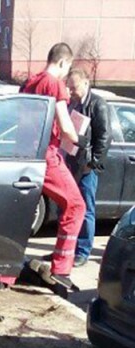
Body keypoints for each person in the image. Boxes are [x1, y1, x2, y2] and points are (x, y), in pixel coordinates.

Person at [19, 43, 86, 295]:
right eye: (68, 68)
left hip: (27, 152)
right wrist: (80, 140)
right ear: (62, 63)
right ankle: (61, 269)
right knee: (76, 205)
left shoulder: (31, 82)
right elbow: (66, 126)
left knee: (22, 210)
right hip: (47, 154)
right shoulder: (54, 84)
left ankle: (6, 272)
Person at [63, 68, 111, 266]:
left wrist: (93, 163)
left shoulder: (98, 104)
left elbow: (104, 137)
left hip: (86, 166)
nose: (71, 91)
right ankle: (67, 249)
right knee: (68, 208)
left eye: (74, 88)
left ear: (85, 83)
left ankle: (83, 250)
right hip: (71, 161)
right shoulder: (72, 103)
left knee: (86, 209)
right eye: (69, 88)